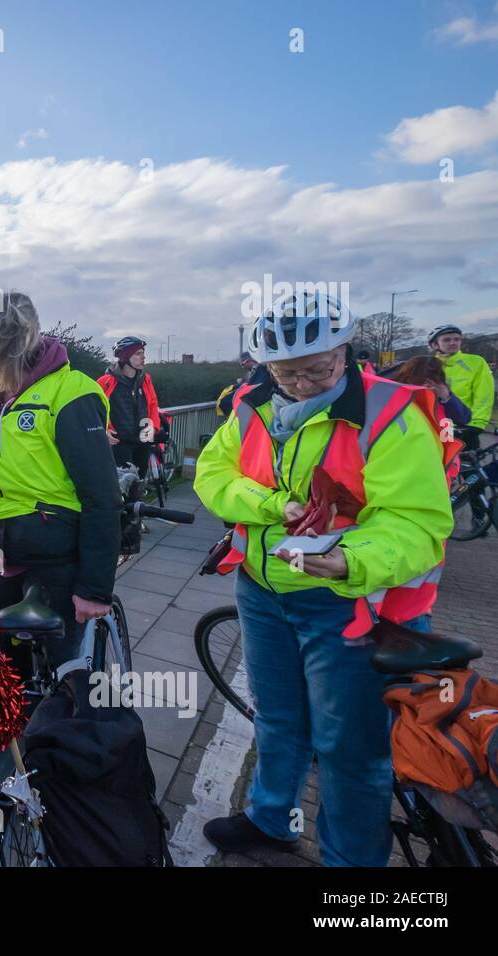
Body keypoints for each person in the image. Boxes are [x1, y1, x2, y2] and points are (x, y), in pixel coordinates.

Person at [194, 292, 457, 866]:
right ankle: (273, 818)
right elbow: (213, 473)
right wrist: (271, 505)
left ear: (346, 353)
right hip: (263, 592)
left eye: (318, 369)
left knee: (351, 749)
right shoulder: (251, 404)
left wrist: (349, 560)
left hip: (350, 607)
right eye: (286, 373)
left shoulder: (389, 414)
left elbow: (419, 523)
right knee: (279, 718)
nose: (303, 384)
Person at [0, 289, 121, 668]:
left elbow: (102, 495)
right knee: (1, 666)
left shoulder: (73, 393)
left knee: (65, 671)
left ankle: (68, 715)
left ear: (14, 342)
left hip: (55, 556)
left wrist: (94, 589)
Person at [99, 336, 165, 477]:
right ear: (125, 357)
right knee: (123, 484)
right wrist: (104, 429)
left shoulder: (145, 379)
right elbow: (93, 410)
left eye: (143, 353)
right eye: (138, 353)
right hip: (120, 442)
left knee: (139, 481)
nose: (143, 357)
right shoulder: (106, 382)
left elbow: (153, 404)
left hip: (143, 439)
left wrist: (153, 427)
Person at [429, 323, 494, 434]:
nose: (453, 342)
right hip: (433, 426)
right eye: (446, 340)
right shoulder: (427, 365)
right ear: (435, 345)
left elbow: (484, 395)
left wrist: (476, 424)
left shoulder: (476, 362)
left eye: (457, 339)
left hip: (464, 425)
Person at [216, 352, 268, 417]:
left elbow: (252, 386)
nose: (242, 367)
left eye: (243, 364)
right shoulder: (255, 371)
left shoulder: (260, 370)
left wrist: (242, 383)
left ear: (248, 361)